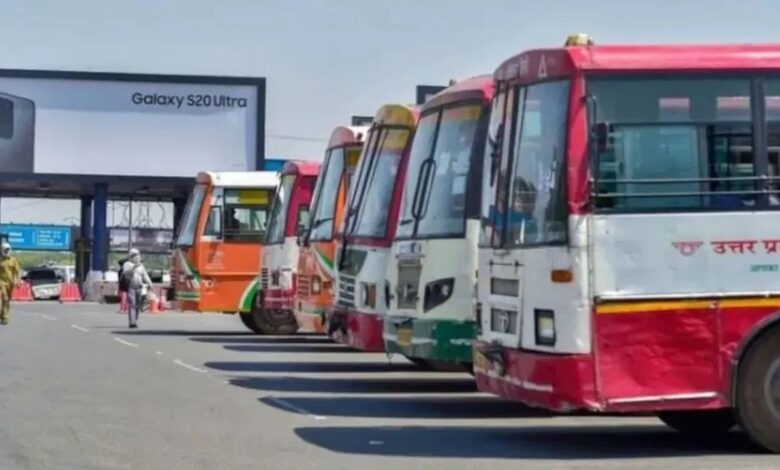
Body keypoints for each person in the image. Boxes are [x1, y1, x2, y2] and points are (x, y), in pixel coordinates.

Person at [121, 248, 152, 329]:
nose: (137, 257)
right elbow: (126, 273)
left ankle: (135, 318)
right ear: (131, 256)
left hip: (139, 287)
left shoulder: (141, 266)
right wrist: (134, 267)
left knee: (138, 304)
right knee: (132, 304)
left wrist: (149, 283)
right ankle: (132, 321)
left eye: (138, 255)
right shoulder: (127, 264)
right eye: (135, 255)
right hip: (131, 287)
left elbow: (145, 275)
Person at [0, 242, 21, 325]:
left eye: (8, 250)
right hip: (2, 282)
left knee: (7, 300)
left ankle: (2, 314)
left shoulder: (13, 260)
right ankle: (5, 318)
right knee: (4, 298)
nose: (7, 251)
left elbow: (18, 271)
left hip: (11, 283)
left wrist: (18, 281)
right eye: (5, 250)